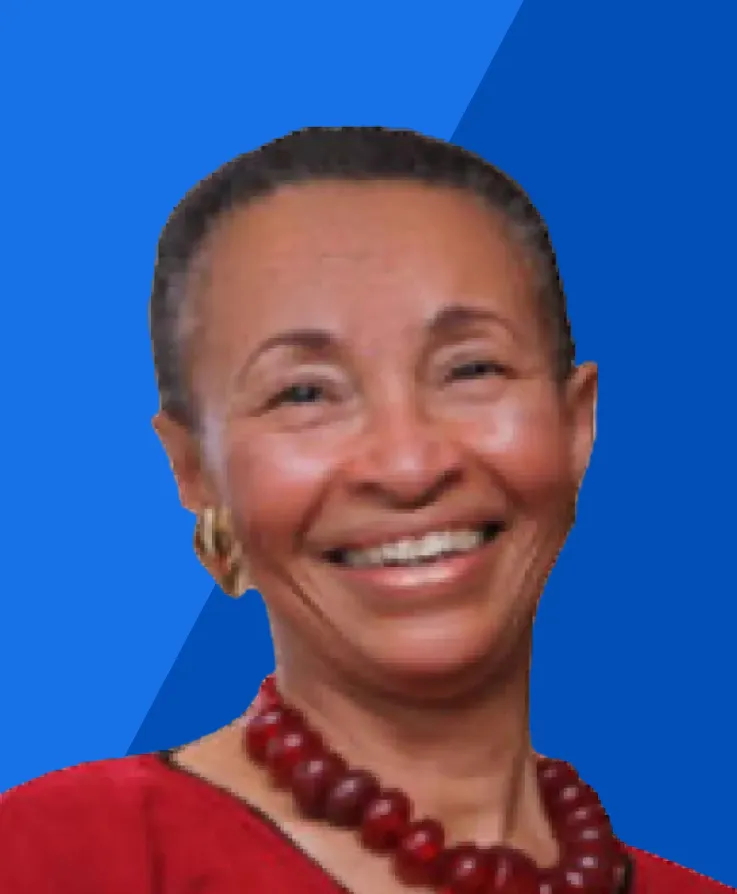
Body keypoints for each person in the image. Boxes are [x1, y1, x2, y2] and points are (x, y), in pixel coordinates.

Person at [0, 128, 729, 894]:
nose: (408, 465)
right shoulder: (59, 859)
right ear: (193, 469)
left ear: (576, 426)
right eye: (303, 393)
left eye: (471, 369)